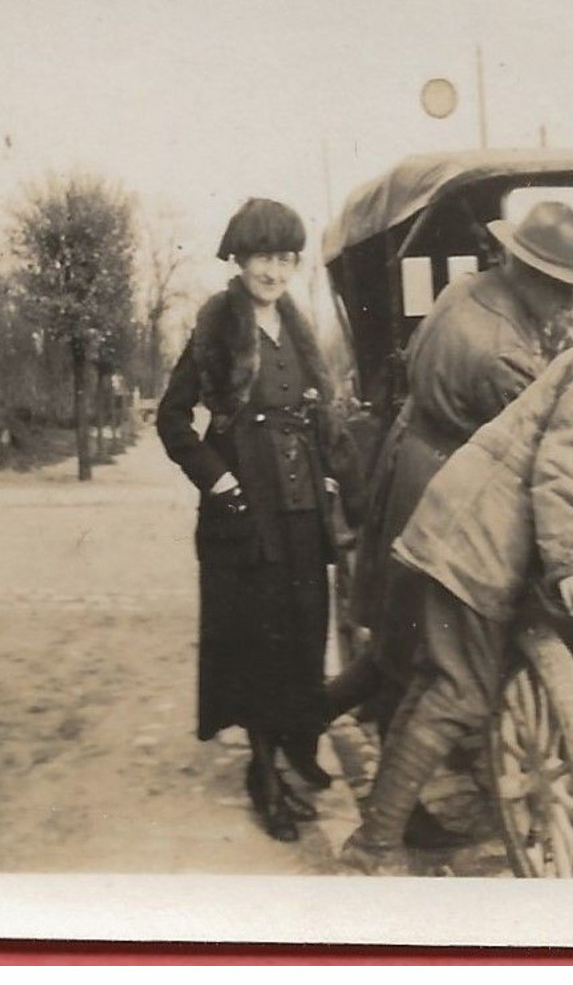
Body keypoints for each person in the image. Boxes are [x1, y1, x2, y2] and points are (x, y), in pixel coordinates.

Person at [341, 277, 573, 873]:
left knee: (437, 688)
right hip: (477, 543)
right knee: (460, 694)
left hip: (462, 532)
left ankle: (376, 834)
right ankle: (373, 846)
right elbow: (563, 473)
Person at [326, 201, 573, 846]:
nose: (563, 303)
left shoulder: (468, 289)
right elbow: (541, 441)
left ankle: (299, 716)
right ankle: (393, 818)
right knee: (433, 662)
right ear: (530, 273)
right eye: (559, 288)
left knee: (399, 645)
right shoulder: (504, 353)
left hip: (410, 462)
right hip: (446, 485)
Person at [157, 197, 364, 843]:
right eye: (261, 257)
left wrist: (328, 469)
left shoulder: (299, 327)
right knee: (257, 642)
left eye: (283, 258)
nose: (273, 271)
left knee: (304, 632)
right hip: (245, 512)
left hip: (301, 509)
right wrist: (217, 478)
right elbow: (172, 419)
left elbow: (316, 414)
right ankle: (264, 773)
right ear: (239, 258)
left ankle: (297, 746)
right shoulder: (217, 325)